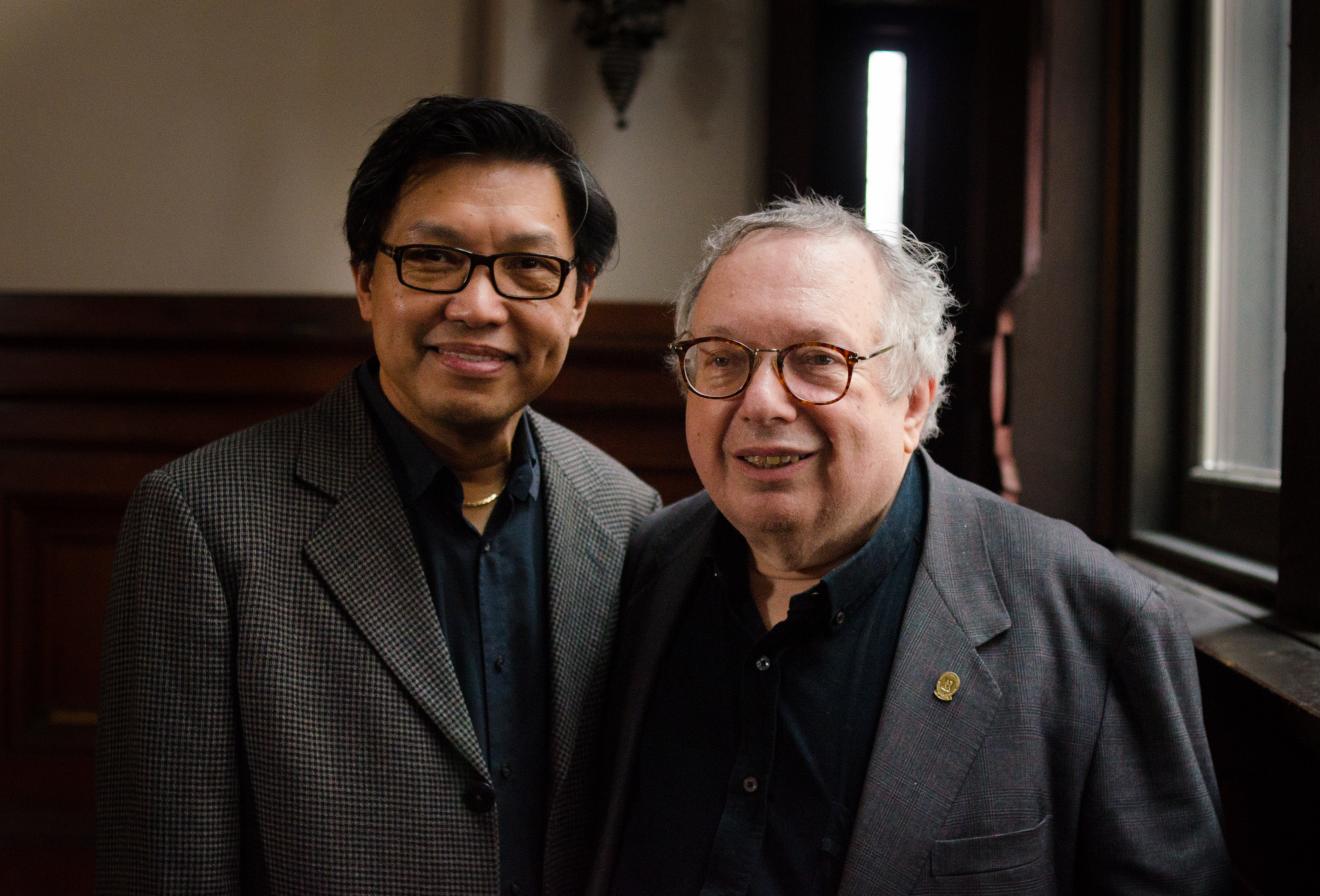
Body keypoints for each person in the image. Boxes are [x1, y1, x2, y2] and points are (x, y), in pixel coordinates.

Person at [97, 96, 660, 896]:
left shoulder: (631, 514)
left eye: (530, 268)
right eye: (433, 258)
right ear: (366, 280)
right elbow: (164, 867)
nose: (478, 307)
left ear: (578, 299)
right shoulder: (202, 519)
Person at [589, 196, 1230, 895]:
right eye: (720, 359)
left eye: (815, 360)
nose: (763, 403)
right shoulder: (642, 568)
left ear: (915, 402)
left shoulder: (1094, 619)